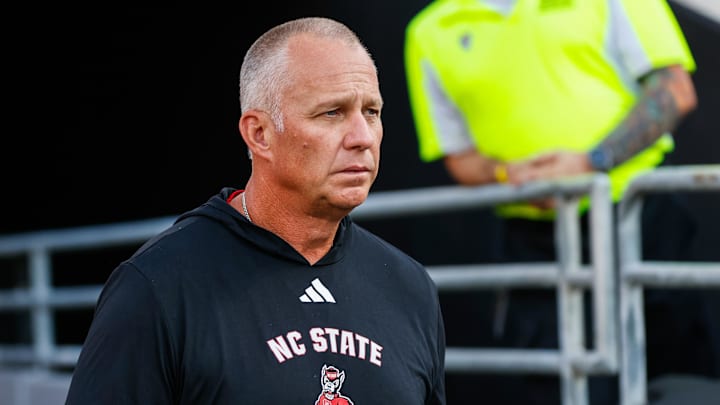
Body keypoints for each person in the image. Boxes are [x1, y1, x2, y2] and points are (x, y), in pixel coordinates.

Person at [65, 16, 446, 404]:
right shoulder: (158, 288)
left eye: (371, 112)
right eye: (332, 113)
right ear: (259, 134)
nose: (363, 138)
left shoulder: (409, 288)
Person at [404, 0, 710, 404]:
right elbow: (459, 157)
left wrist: (591, 162)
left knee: (683, 381)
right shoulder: (430, 30)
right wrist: (512, 174)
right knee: (561, 388)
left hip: (642, 221)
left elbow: (675, 89)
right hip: (535, 246)